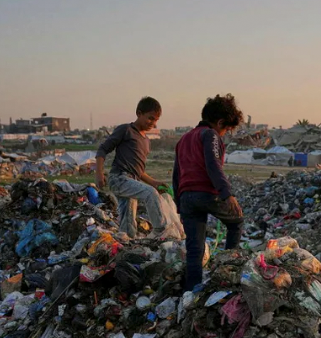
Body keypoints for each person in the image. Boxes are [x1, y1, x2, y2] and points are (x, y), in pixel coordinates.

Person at [172, 94, 245, 292]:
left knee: (194, 248)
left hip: (186, 197)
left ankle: (191, 293)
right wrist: (226, 193)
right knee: (236, 221)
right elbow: (213, 165)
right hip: (207, 193)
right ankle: (227, 271)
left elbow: (176, 173)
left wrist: (179, 204)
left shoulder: (183, 139)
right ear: (220, 122)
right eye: (226, 129)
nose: (224, 133)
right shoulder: (210, 135)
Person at [95, 97, 182, 239]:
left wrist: (154, 182)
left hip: (132, 180)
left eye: (156, 120)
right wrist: (99, 173)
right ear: (139, 113)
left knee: (128, 224)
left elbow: (138, 171)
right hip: (119, 178)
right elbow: (102, 150)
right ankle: (161, 230)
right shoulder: (126, 130)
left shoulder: (146, 141)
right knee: (150, 194)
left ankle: (126, 243)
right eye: (150, 118)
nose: (153, 123)